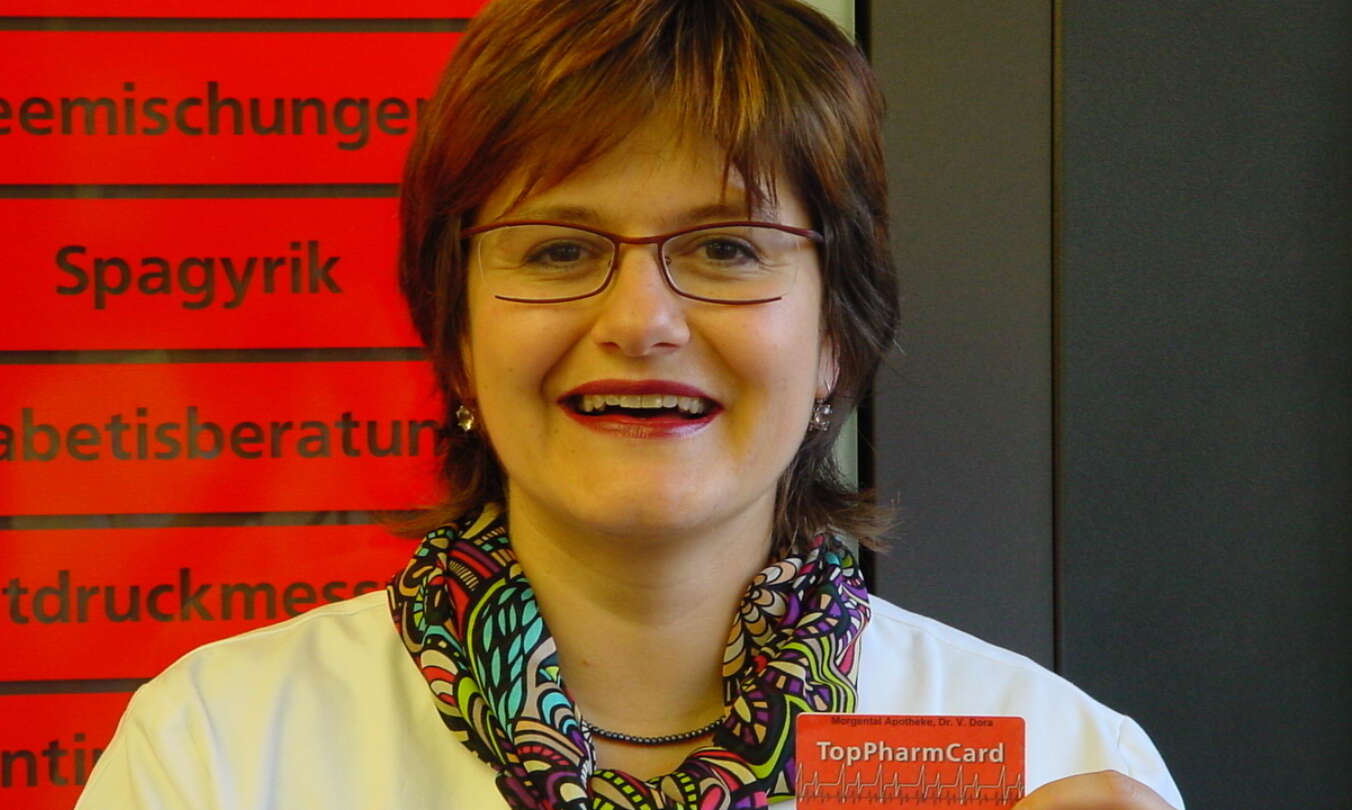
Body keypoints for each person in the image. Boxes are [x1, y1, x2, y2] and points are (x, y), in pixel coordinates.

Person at [75, 1, 1184, 808]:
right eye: (559, 249)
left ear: (834, 338)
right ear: (455, 336)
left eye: (726, 247)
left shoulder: (1059, 760)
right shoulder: (222, 749)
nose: (641, 320)